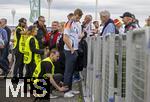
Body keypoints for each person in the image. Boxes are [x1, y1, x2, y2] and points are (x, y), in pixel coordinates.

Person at [63, 8, 83, 97]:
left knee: (72, 70)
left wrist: (81, 36)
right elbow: (65, 37)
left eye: (79, 18)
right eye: (78, 18)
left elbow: (77, 36)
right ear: (75, 15)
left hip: (74, 49)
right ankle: (66, 91)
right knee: (68, 71)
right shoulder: (69, 23)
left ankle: (69, 89)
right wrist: (71, 49)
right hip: (69, 50)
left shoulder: (76, 24)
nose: (79, 20)